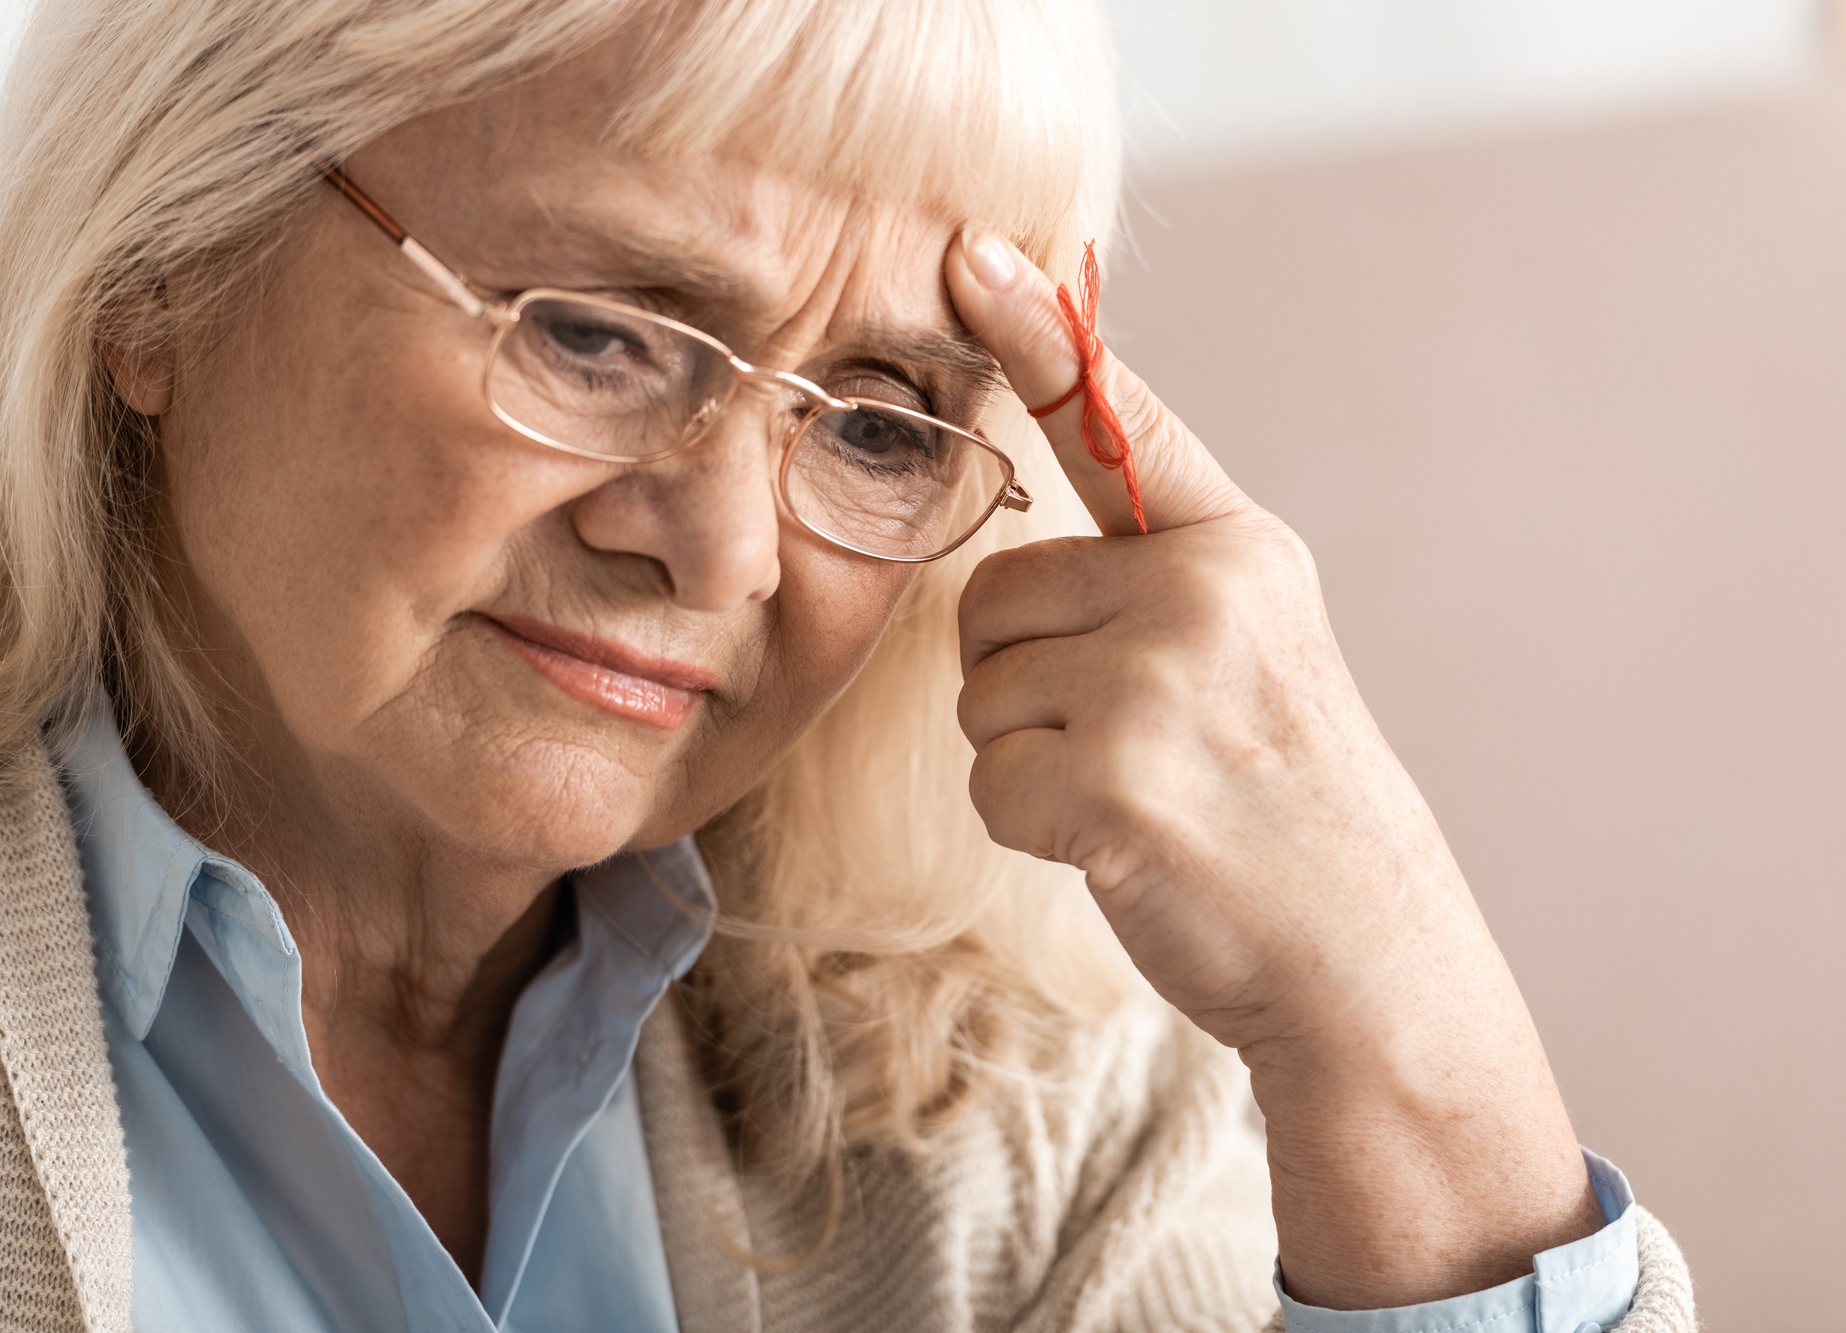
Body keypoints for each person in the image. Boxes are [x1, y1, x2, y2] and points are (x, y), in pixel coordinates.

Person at [0, 1, 1695, 1330]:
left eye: (881, 425)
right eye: (599, 334)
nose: (725, 550)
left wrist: (1392, 1007)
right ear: (167, 270)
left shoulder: (997, 1093)